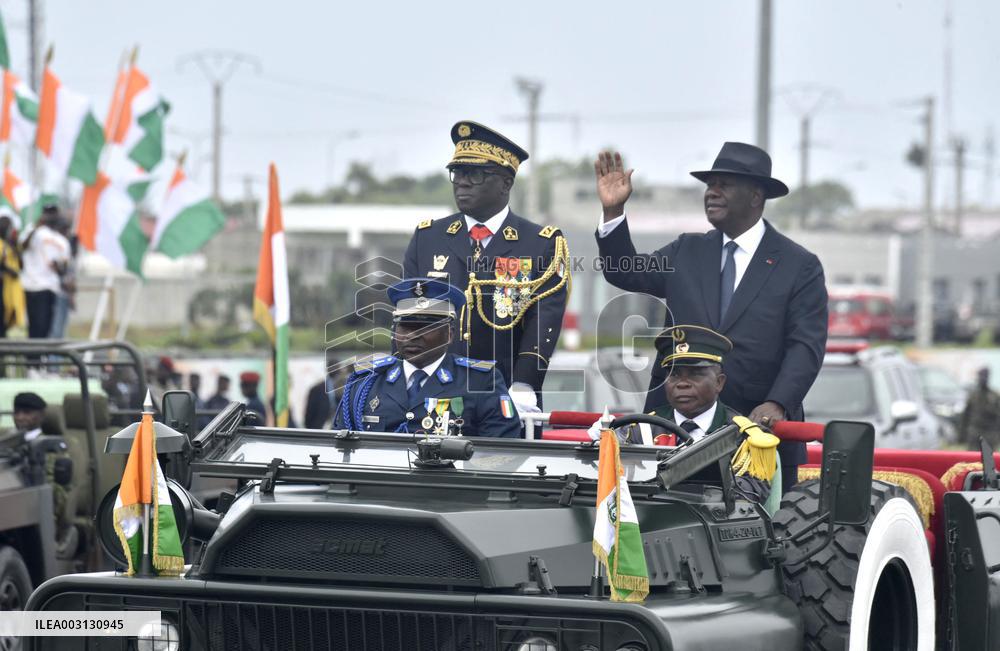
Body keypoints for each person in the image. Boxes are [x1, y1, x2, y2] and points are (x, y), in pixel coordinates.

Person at [594, 142, 828, 493]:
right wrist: (613, 213)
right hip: (673, 429)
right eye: (709, 184)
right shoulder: (688, 249)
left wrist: (778, 402)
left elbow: (805, 346)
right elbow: (624, 273)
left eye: (724, 185)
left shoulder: (799, 265)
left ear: (756, 195)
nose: (712, 193)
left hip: (757, 433)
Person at [403, 121, 569, 414]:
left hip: (504, 396)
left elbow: (542, 321)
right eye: (457, 173)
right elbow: (408, 320)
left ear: (506, 182)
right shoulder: (428, 238)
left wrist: (524, 385)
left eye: (475, 174)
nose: (462, 182)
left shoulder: (540, 244)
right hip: (433, 397)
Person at [334, 278, 521, 438]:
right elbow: (340, 445)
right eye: (405, 327)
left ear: (449, 334)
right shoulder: (365, 381)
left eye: (425, 328)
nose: (412, 336)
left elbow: (500, 451)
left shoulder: (482, 382)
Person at [643, 325, 777, 503]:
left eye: (695, 374)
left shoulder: (745, 437)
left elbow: (748, 498)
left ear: (719, 383)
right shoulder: (642, 430)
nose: (682, 384)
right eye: (674, 374)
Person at [0, 393, 74, 543]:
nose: (20, 417)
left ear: (41, 416)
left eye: (27, 413)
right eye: (17, 412)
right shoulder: (6, 442)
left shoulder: (52, 446)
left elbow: (58, 491)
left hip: (38, 510)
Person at [19, 206, 71, 339]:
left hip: (49, 288)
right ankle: (33, 358)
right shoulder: (33, 231)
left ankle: (39, 358)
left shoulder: (62, 241)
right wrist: (36, 227)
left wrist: (57, 267)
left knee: (45, 329)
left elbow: (63, 269)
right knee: (33, 328)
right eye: (48, 214)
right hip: (30, 285)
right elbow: (22, 246)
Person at [959, 367, 1000, 450]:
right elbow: (965, 416)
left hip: (990, 434)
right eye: (981, 376)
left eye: (984, 376)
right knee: (973, 459)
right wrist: (961, 435)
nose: (982, 379)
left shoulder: (994, 396)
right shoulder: (973, 395)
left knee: (988, 460)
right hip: (975, 433)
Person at [0, 215, 25, 337]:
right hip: (4, 287)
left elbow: (21, 265)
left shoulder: (11, 245)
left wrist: (16, 247)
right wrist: (9, 271)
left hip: (13, 288)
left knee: (10, 319)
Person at [304, 353, 341, 429]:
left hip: (338, 429)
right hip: (320, 429)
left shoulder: (345, 388)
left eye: (337, 367)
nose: (335, 369)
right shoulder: (316, 390)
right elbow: (309, 417)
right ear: (327, 369)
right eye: (332, 366)